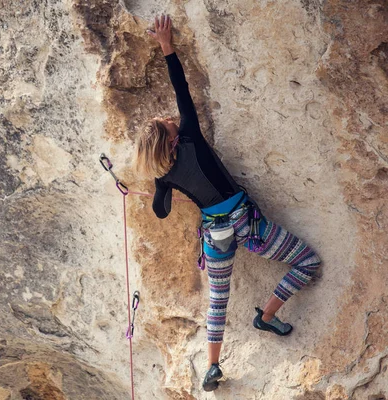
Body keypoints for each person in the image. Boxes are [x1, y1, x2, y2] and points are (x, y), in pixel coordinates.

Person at [136, 15, 322, 392]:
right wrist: (166, 46)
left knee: (218, 302)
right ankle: (267, 315)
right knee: (308, 261)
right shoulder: (190, 137)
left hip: (215, 236)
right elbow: (181, 88)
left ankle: (213, 367)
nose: (174, 120)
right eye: (169, 124)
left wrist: (162, 189)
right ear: (173, 140)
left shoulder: (164, 175)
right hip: (249, 227)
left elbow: (160, 212)